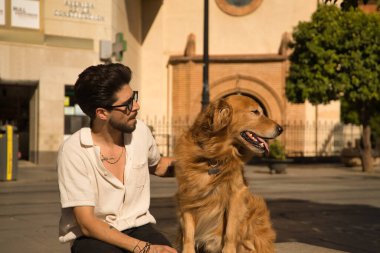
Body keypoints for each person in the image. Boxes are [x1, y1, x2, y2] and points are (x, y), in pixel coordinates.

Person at [57, 63, 177, 253]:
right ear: (102, 113)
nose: (136, 106)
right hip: (93, 235)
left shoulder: (140, 132)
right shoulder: (74, 150)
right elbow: (87, 223)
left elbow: (158, 165)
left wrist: (201, 163)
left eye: (134, 97)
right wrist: (145, 249)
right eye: (128, 104)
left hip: (139, 226)